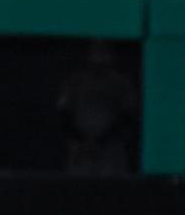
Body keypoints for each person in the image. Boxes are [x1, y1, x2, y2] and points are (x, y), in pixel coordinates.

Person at [56, 40, 137, 176]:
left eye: (104, 50)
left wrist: (101, 141)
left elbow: (128, 116)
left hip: (111, 150)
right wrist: (82, 140)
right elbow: (63, 114)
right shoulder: (75, 81)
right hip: (81, 150)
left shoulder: (121, 83)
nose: (99, 55)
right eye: (96, 50)